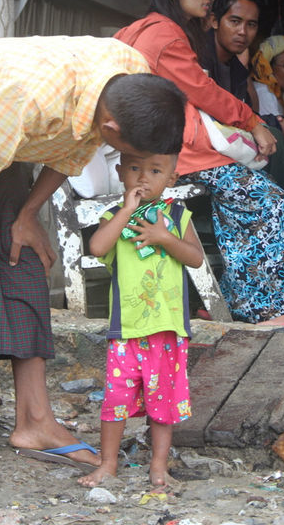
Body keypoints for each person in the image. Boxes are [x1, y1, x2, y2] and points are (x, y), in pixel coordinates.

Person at [0, 35, 187, 488]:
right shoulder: (32, 98)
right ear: (112, 131)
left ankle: (34, 421)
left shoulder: (132, 73)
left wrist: (28, 213)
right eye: (130, 158)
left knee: (24, 254)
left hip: (5, 132)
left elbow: (71, 148)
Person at [115, 0, 284, 326]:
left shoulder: (140, 28)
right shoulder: (166, 35)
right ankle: (267, 313)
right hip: (170, 156)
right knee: (269, 202)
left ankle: (239, 304)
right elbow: (203, 91)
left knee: (250, 197)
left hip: (154, 152)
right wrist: (253, 122)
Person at [78, 151, 203, 488]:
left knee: (163, 403)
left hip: (167, 328)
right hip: (127, 330)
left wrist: (164, 237)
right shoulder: (114, 217)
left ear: (171, 179)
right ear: (120, 173)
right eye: (134, 169)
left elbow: (195, 258)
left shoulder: (178, 216)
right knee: (115, 400)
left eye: (154, 170)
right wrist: (126, 211)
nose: (143, 178)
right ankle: (108, 464)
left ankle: (159, 467)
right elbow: (97, 247)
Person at [201, 0, 284, 255]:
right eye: (234, 21)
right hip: (205, 146)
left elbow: (243, 113)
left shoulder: (235, 67)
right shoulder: (202, 57)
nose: (243, 32)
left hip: (232, 140)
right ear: (214, 21)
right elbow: (217, 112)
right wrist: (274, 124)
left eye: (251, 25)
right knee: (276, 135)